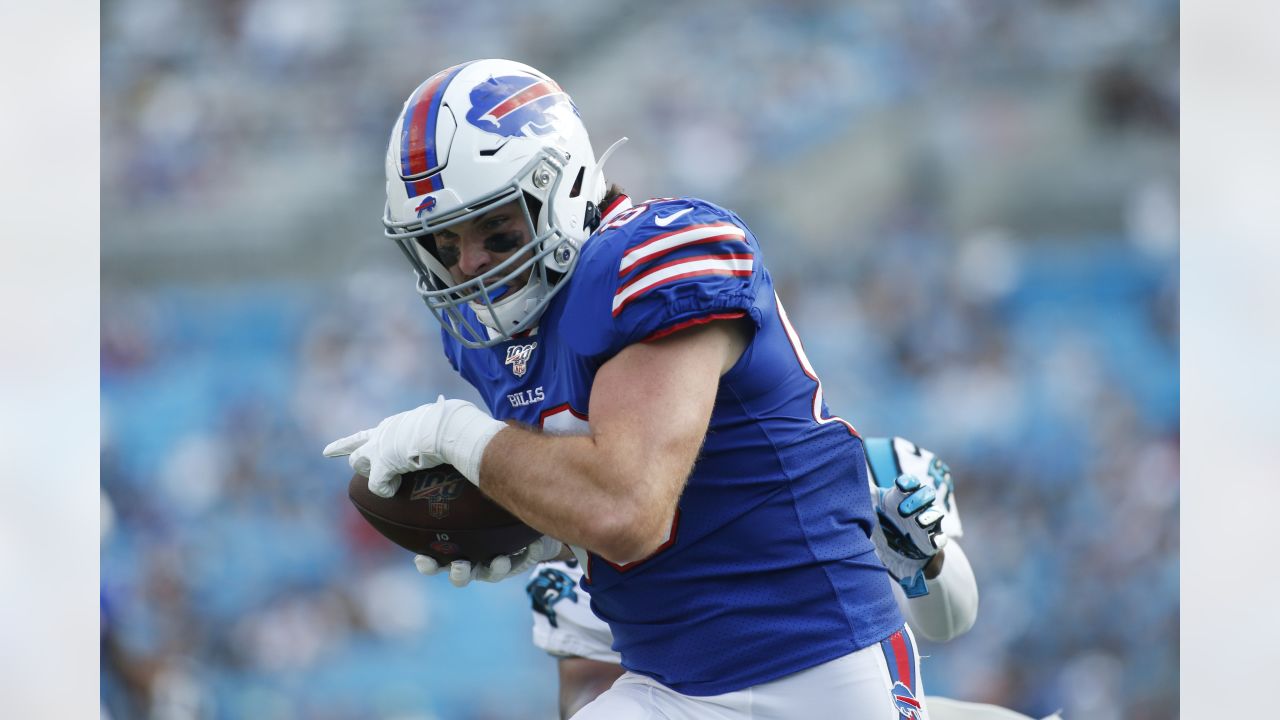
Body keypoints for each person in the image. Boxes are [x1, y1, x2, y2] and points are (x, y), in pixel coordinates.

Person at [325, 58, 948, 719]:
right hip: (667, 679)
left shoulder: (656, 253)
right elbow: (630, 491)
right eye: (444, 245)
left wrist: (458, 436)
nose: (469, 264)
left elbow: (628, 511)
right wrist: (533, 519)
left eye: (496, 230)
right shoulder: (490, 339)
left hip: (815, 670)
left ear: (558, 186)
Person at [528, 437, 1062, 720]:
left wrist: (929, 560)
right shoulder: (624, 507)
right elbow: (587, 693)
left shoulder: (882, 468)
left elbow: (952, 620)